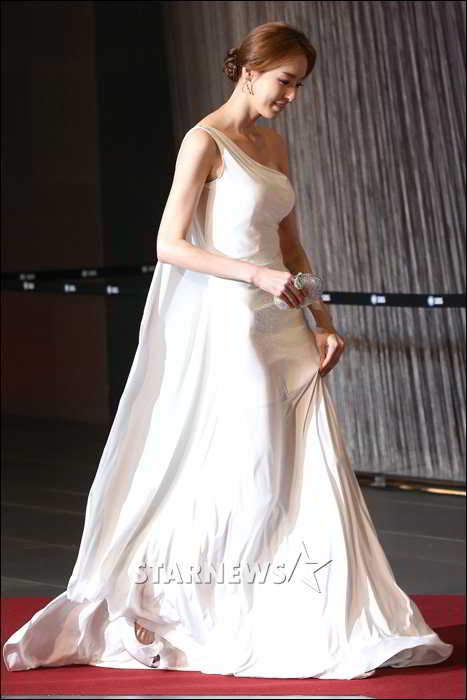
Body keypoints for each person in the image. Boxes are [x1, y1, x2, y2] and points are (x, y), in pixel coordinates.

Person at [3, 21, 453, 679]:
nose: (291, 96)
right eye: (285, 81)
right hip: (236, 325)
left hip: (285, 327)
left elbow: (290, 246)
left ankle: (302, 615)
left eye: (299, 85)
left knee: (303, 470)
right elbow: (169, 245)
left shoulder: (273, 143)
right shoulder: (203, 140)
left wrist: (322, 318)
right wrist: (255, 277)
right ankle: (180, 607)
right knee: (253, 469)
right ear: (249, 70)